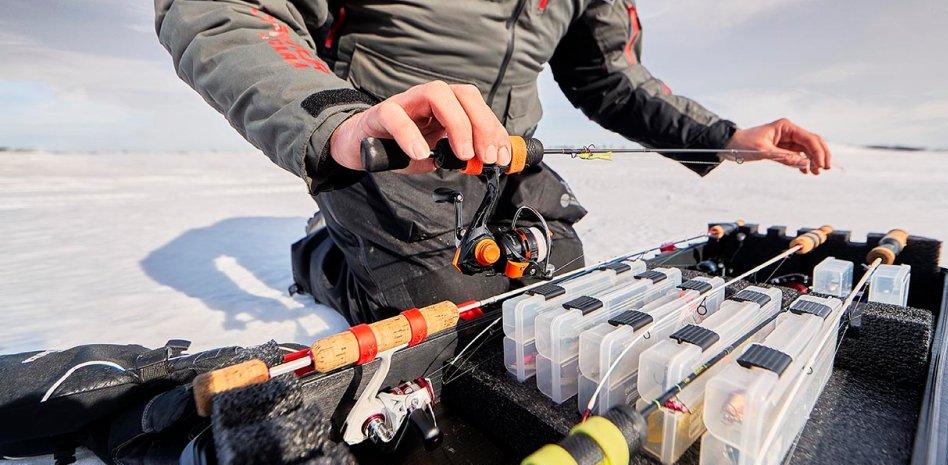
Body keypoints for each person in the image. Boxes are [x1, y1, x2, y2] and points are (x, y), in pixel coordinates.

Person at [156, 0, 831, 324]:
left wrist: (724, 137)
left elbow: (610, 73)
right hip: (393, 153)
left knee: (555, 277)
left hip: (507, 158)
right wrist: (336, 122)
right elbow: (226, 12)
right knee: (448, 305)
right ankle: (326, 250)